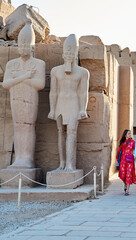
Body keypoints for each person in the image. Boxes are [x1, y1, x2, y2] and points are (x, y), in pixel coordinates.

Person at [2, 20, 45, 168]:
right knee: (18, 126)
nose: (23, 48)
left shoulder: (39, 64)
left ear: (31, 47)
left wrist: (19, 77)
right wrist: (25, 76)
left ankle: (27, 158)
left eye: (26, 45)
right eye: (21, 45)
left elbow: (40, 84)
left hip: (30, 98)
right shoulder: (11, 64)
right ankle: (18, 159)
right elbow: (6, 84)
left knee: (28, 126)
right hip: (15, 98)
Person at [48, 34, 90, 171]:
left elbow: (83, 92)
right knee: (60, 132)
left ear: (75, 54)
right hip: (60, 103)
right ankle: (61, 163)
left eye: (71, 52)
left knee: (71, 132)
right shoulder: (55, 71)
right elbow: (53, 91)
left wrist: (83, 108)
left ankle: (70, 165)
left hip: (73, 104)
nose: (68, 55)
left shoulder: (83, 72)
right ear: (62, 54)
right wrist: (52, 109)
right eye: (66, 52)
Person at [116, 129, 136, 195]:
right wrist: (117, 160)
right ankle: (125, 184)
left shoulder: (132, 142)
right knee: (123, 174)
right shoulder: (122, 142)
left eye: (130, 133)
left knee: (128, 174)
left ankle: (127, 190)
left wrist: (135, 156)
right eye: (128, 133)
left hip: (130, 161)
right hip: (123, 160)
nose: (130, 134)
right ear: (125, 135)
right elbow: (119, 152)